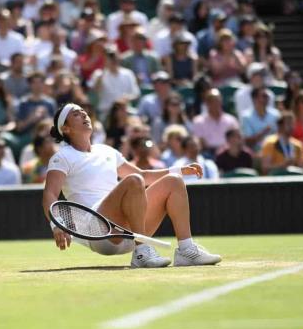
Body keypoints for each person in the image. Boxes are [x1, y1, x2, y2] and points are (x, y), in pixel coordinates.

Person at [43, 103, 221, 267]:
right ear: (65, 128)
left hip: (130, 231)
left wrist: (180, 170)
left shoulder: (106, 150)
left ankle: (186, 250)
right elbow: (50, 194)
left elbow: (144, 174)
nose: (84, 115)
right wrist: (56, 225)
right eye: (76, 114)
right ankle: (142, 252)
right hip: (100, 232)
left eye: (84, 112)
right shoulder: (62, 156)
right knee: (134, 181)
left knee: (174, 181)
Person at [90, 46, 140, 116]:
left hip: (125, 111)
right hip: (106, 112)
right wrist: (104, 68)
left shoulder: (128, 73)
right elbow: (96, 92)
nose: (113, 59)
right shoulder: (98, 74)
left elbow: (135, 94)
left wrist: (125, 98)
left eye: (114, 56)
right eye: (109, 57)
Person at [192, 88, 240, 157]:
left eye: (217, 101)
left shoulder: (231, 120)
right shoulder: (198, 121)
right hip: (208, 153)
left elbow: (237, 139)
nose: (215, 104)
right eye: (211, 101)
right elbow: (199, 143)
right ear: (206, 103)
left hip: (229, 153)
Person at [241, 87, 280, 151]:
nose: (267, 98)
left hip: (275, 151)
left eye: (267, 96)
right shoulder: (246, 116)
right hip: (255, 154)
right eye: (264, 96)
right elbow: (248, 142)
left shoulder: (276, 114)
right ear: (254, 99)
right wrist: (264, 131)